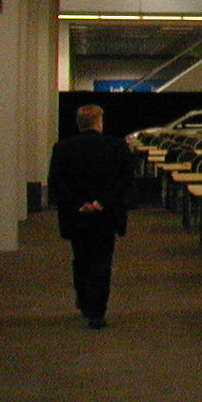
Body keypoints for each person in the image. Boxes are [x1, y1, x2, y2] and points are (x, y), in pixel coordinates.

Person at [47, 104, 135, 329]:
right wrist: (102, 202)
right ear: (99, 123)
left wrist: (79, 204)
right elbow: (125, 180)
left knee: (81, 258)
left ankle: (84, 300)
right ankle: (97, 311)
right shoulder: (117, 147)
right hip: (106, 214)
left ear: (79, 124)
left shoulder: (63, 148)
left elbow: (56, 182)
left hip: (77, 215)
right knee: (102, 261)